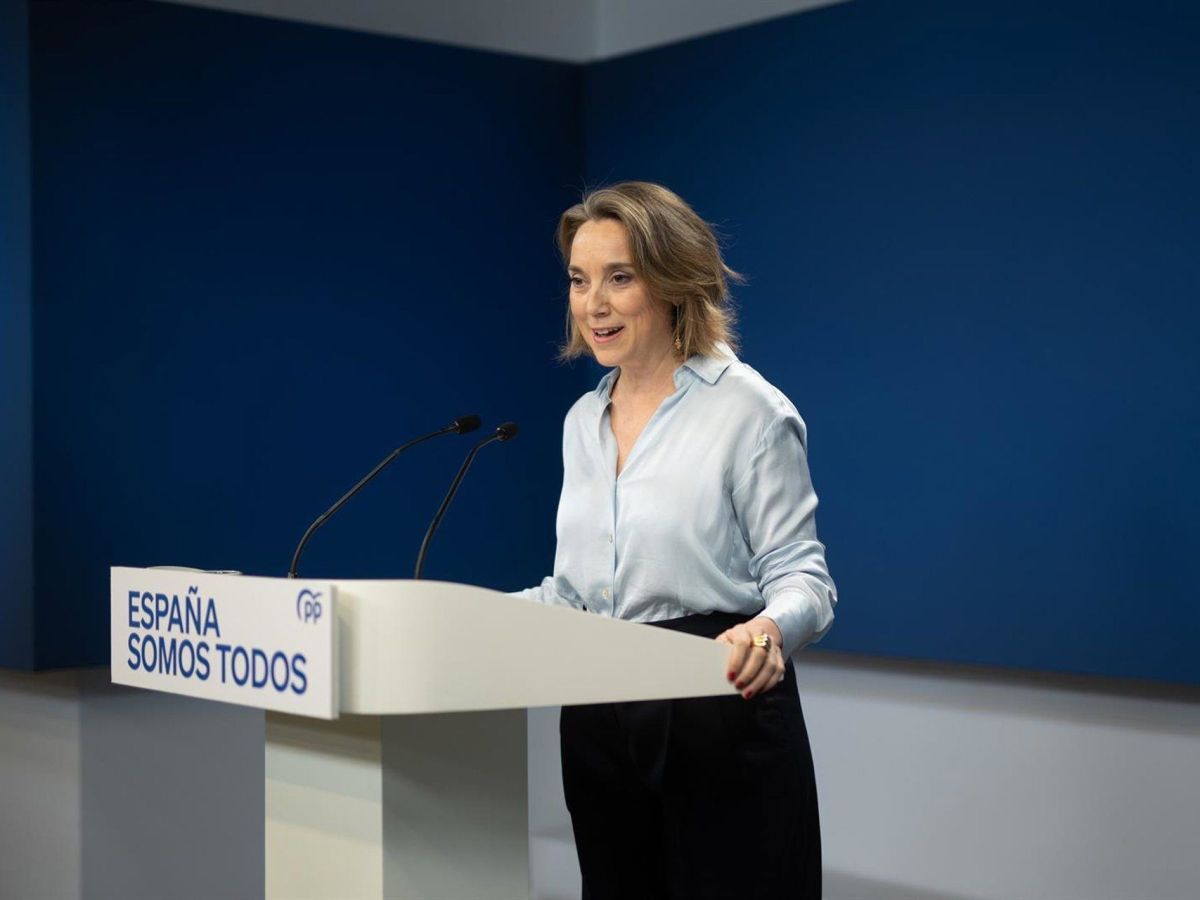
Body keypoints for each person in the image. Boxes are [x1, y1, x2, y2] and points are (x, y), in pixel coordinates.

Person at [514, 181, 836, 900]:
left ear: (672, 282)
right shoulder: (581, 422)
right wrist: (464, 614)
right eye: (579, 280)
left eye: (619, 278)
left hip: (713, 702)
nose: (593, 304)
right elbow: (573, 593)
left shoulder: (748, 410)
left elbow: (804, 579)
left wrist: (767, 631)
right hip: (598, 710)